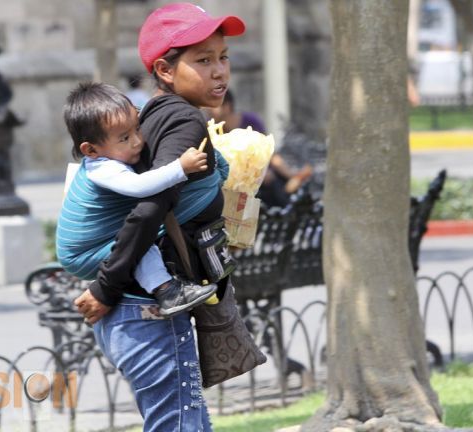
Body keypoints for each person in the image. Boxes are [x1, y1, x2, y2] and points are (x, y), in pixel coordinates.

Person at [72, 3, 246, 431]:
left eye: (223, 57)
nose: (219, 71)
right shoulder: (184, 121)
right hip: (145, 307)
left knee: (186, 421)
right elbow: (150, 205)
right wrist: (105, 288)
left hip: (136, 307)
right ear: (166, 70)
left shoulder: (153, 115)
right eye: (203, 60)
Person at [57, 81, 217, 316]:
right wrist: (181, 168)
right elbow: (142, 187)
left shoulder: (107, 157)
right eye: (124, 138)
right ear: (90, 150)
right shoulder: (103, 169)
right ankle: (167, 291)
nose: (138, 142)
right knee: (140, 241)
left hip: (89, 246)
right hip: (82, 254)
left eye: (137, 129)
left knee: (138, 237)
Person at [206, 90, 312, 208]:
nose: (209, 109)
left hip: (263, 177)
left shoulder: (250, 121)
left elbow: (269, 154)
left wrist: (290, 175)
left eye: (213, 105)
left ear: (227, 106)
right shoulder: (211, 130)